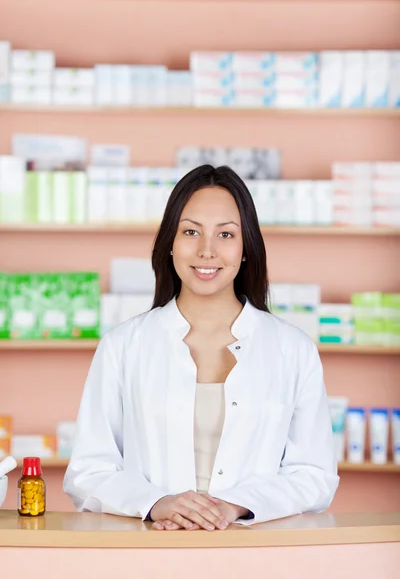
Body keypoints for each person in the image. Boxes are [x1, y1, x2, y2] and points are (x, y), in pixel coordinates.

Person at [64, 165, 339, 531]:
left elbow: (315, 475)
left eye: (225, 234)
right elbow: (88, 470)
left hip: (255, 552)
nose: (207, 250)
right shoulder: (123, 346)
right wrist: (157, 503)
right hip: (151, 552)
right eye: (191, 231)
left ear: (245, 249)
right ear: (170, 245)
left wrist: (236, 506)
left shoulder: (293, 350)